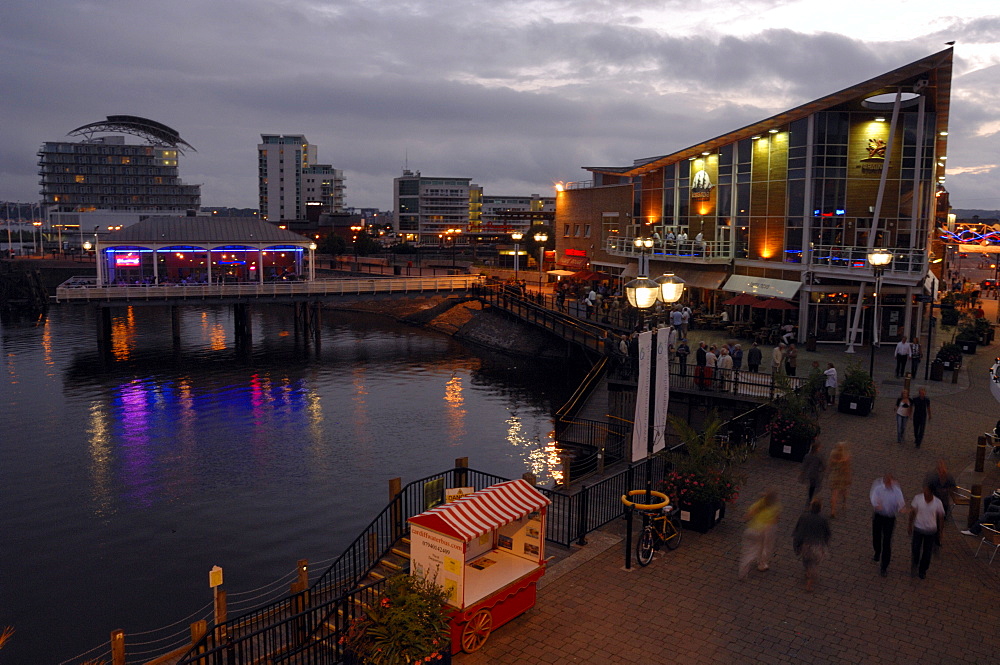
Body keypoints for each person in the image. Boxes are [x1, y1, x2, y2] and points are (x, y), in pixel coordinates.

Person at [739, 490, 781, 579]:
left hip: (752, 529)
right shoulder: (775, 506)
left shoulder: (759, 503)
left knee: (749, 551)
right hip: (764, 531)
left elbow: (748, 515)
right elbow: (776, 519)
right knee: (765, 547)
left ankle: (744, 568)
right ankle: (762, 563)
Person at [870, 473, 905, 577]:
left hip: (889, 518)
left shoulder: (897, 491)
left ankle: (884, 566)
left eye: (891, 482)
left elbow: (901, 502)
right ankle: (877, 551)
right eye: (887, 482)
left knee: (887, 541)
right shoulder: (878, 488)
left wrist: (901, 508)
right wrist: (876, 505)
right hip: (879, 516)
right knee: (876, 536)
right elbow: (873, 497)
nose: (889, 484)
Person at [793, 499, 831, 592]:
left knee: (806, 559)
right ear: (820, 508)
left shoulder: (804, 517)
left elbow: (798, 531)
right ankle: (809, 582)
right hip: (817, 544)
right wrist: (825, 543)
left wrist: (797, 545)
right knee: (814, 562)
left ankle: (807, 571)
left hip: (805, 544)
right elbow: (827, 533)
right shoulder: (823, 519)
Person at [908, 484, 945, 579]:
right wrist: (910, 525)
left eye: (927, 492)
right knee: (915, 549)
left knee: (927, 552)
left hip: (931, 531)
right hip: (918, 528)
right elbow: (912, 512)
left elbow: (941, 518)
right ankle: (915, 565)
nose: (924, 493)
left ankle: (923, 570)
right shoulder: (917, 499)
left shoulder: (937, 502)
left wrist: (940, 532)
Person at [827, 442, 852, 518]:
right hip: (842, 476)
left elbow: (830, 465)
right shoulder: (846, 456)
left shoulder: (833, 454)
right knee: (844, 490)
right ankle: (844, 502)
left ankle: (833, 511)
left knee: (834, 494)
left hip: (834, 475)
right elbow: (847, 468)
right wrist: (848, 477)